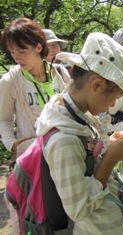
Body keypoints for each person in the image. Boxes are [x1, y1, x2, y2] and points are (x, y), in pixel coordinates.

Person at [34, 32, 123, 234]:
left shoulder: (77, 115)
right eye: (116, 97)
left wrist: (108, 144)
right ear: (96, 85)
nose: (113, 105)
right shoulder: (63, 140)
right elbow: (79, 208)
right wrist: (111, 157)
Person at [0, 17, 68, 235]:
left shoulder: (61, 74)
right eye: (12, 52)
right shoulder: (11, 80)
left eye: (22, 50)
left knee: (62, 216)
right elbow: (3, 118)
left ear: (39, 46)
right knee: (33, 219)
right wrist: (11, 144)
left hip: (63, 157)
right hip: (32, 163)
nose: (17, 57)